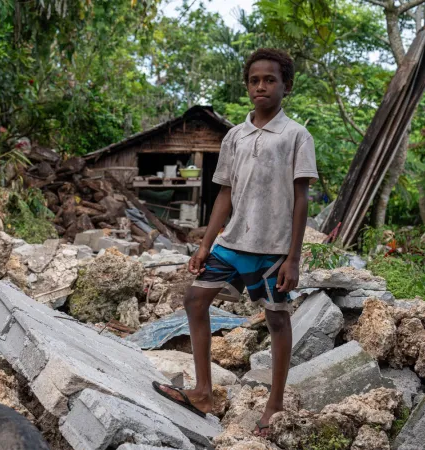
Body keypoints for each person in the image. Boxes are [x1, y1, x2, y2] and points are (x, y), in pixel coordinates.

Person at [153, 48, 318, 437]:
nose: (261, 86)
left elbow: (301, 198)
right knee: (194, 299)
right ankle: (203, 391)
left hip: (272, 248)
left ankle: (275, 405)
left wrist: (293, 258)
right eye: (254, 80)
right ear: (247, 86)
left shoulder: (296, 136)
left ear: (286, 86)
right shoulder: (235, 136)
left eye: (270, 80)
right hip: (232, 242)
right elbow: (225, 194)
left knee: (277, 319)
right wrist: (205, 243)